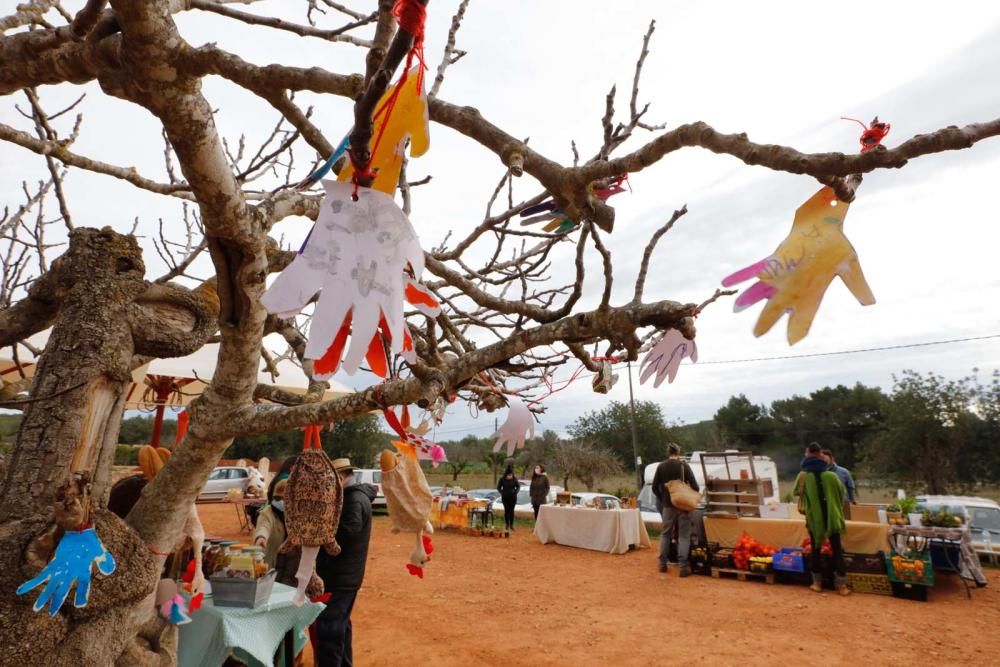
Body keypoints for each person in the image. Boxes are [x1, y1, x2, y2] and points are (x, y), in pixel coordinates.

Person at [315, 458, 377, 667]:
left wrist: (321, 532)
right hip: (343, 575)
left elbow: (348, 533)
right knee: (340, 627)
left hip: (340, 576)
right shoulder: (349, 498)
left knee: (329, 630)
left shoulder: (354, 500)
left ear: (340, 478)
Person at [796, 443, 850, 595]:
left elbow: (796, 492)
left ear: (807, 455)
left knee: (815, 549)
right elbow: (841, 493)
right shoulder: (832, 476)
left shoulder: (803, 477)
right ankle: (842, 586)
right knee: (837, 550)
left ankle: (817, 583)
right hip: (833, 518)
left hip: (814, 520)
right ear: (821, 456)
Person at [651, 443, 699, 577]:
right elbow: (695, 486)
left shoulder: (661, 466)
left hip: (668, 505)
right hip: (683, 506)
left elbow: (654, 487)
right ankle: (683, 567)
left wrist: (664, 498)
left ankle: (662, 565)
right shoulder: (684, 466)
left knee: (665, 534)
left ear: (668, 452)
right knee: (684, 535)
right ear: (678, 452)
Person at [497, 465, 520, 531]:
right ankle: (507, 524)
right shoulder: (502, 479)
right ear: (506, 475)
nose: (510, 476)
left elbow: (518, 486)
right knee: (506, 511)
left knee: (511, 511)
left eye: (511, 475)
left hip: (513, 497)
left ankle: (511, 525)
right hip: (505, 497)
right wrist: (502, 492)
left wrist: (516, 492)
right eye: (509, 475)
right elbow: (498, 487)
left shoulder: (514, 479)